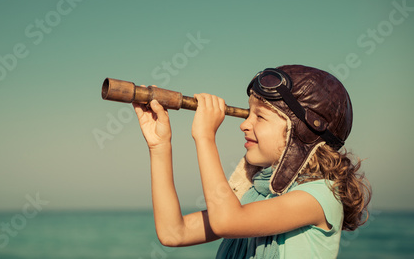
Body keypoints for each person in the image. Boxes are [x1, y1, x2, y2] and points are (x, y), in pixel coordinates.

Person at [132, 64, 371, 258]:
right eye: (248, 114)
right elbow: (174, 233)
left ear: (300, 132)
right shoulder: (255, 196)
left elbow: (227, 221)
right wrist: (159, 145)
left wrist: (205, 137)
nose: (244, 124)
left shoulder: (320, 196)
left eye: (260, 116)